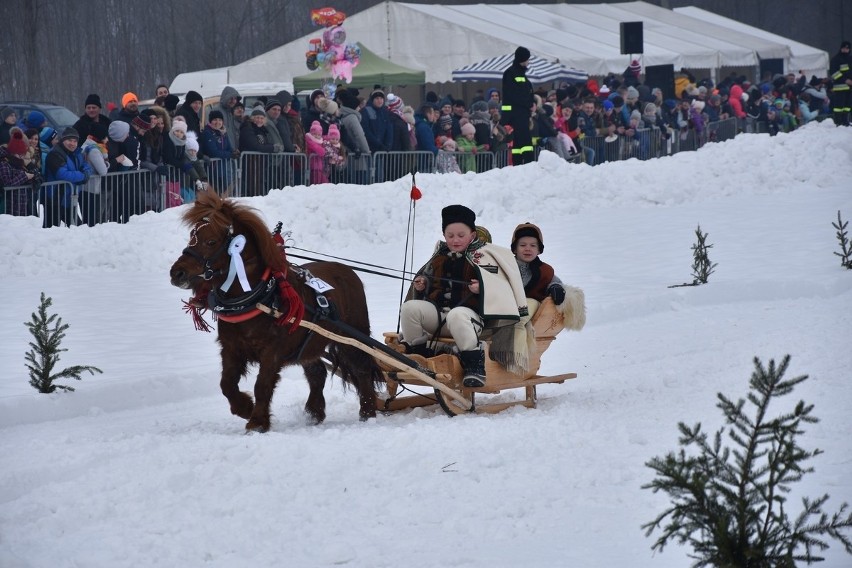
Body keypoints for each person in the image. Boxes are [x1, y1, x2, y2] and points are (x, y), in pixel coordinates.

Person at [399, 205, 532, 387]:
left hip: (472, 322)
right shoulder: (440, 256)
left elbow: (501, 286)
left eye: (461, 235)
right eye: (450, 235)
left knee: (458, 314)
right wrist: (424, 284)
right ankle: (420, 356)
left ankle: (474, 365)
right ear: (444, 235)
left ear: (472, 235)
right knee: (409, 309)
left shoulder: (486, 256)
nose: (455, 240)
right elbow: (433, 283)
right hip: (439, 318)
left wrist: (483, 288)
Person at [510, 222, 586, 330]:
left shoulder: (544, 270)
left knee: (524, 312)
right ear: (515, 248)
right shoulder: (505, 265)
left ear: (538, 249)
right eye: (522, 245)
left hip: (530, 307)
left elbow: (554, 281)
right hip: (507, 305)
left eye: (533, 245)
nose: (527, 248)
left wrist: (555, 287)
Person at [44, 128, 93, 228]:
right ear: (63, 140)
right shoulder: (55, 154)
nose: (72, 144)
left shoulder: (76, 153)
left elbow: (86, 166)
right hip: (55, 198)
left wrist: (86, 172)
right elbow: (62, 174)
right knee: (51, 230)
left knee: (78, 228)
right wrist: (83, 176)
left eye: (75, 141)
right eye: (69, 140)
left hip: (70, 198)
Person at [501, 46, 536, 165]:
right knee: (525, 141)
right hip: (516, 113)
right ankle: (530, 163)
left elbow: (526, 91)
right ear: (523, 59)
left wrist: (532, 103)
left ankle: (517, 163)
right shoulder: (511, 73)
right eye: (527, 59)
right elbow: (515, 94)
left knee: (518, 142)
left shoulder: (519, 73)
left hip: (521, 113)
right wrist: (529, 104)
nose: (528, 62)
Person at [829, 40, 852, 126]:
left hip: (850, 87)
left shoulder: (850, 59)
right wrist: (845, 80)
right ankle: (838, 121)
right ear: (841, 48)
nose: (845, 49)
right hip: (840, 87)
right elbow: (833, 73)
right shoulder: (836, 59)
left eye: (847, 48)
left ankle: (845, 120)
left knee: (848, 105)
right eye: (844, 48)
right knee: (839, 106)